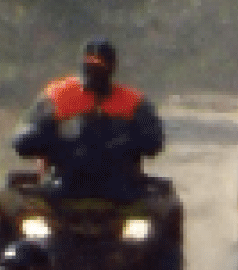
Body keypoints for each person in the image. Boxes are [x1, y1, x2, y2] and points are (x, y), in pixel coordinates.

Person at [12, 37, 165, 202]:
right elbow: (22, 141)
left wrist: (124, 141)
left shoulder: (132, 102)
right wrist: (47, 135)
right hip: (62, 187)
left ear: (112, 67)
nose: (94, 70)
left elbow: (154, 142)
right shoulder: (58, 96)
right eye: (90, 64)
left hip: (120, 189)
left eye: (100, 65)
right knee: (8, 204)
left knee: (165, 207)